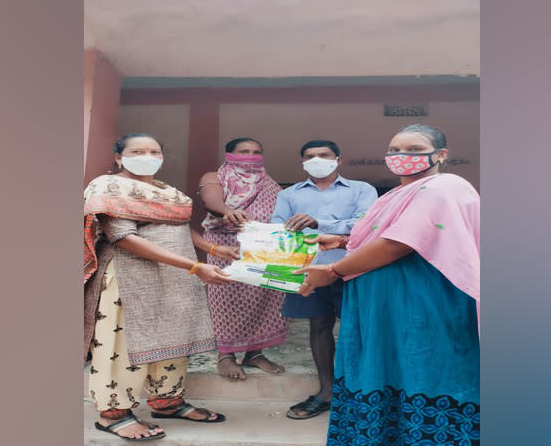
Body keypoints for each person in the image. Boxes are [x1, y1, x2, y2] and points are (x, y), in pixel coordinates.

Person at [294, 125, 480, 445]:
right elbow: (387, 234)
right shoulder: (397, 194)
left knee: (423, 368)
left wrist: (334, 271)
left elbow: (397, 243)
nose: (400, 156)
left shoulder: (443, 186)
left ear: (441, 155)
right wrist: (341, 239)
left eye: (412, 148)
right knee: (387, 370)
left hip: (422, 303)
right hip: (387, 307)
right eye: (394, 150)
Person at [84, 133, 240, 441]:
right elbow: (123, 237)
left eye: (154, 151)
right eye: (137, 151)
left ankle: (167, 401)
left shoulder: (166, 191)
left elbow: (179, 227)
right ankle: (113, 413)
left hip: (171, 276)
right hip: (127, 279)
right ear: (119, 157)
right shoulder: (108, 187)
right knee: (123, 345)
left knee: (171, 338)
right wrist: (195, 266)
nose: (147, 155)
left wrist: (212, 248)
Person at [270, 140, 378, 420]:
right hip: (309, 271)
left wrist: (320, 224)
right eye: (310, 156)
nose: (317, 159)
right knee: (319, 326)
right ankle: (326, 393)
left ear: (338, 160)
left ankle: (362, 392)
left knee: (359, 329)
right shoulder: (289, 194)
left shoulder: (361, 189)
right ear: (302, 162)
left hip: (355, 268)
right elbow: (277, 230)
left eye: (324, 155)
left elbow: (368, 225)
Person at [198, 137, 289, 381]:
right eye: (244, 151)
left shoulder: (269, 183)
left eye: (256, 152)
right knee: (226, 299)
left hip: (264, 248)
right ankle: (226, 355)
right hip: (226, 247)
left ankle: (254, 353)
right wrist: (228, 211)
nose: (251, 155)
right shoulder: (214, 176)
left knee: (264, 299)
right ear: (229, 154)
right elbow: (211, 201)